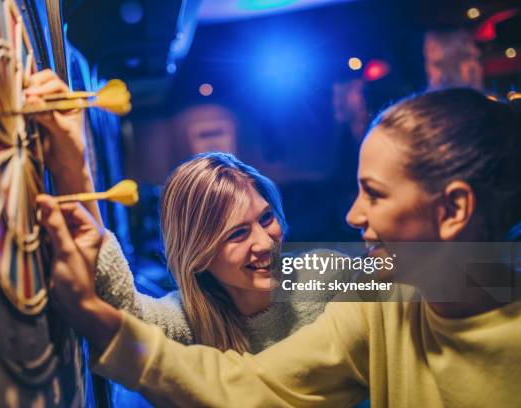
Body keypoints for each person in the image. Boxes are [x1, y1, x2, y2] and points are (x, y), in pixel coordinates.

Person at [40, 87, 521, 407]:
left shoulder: (341, 280)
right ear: (198, 255)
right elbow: (250, 385)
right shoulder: (380, 308)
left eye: (373, 193)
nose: (352, 216)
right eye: (234, 234)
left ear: (454, 210)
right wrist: (74, 172)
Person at [26, 70, 344, 354]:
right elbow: (121, 306)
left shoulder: (327, 276)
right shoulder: (190, 324)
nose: (264, 243)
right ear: (199, 254)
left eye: (265, 218)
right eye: (237, 233)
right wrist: (72, 159)